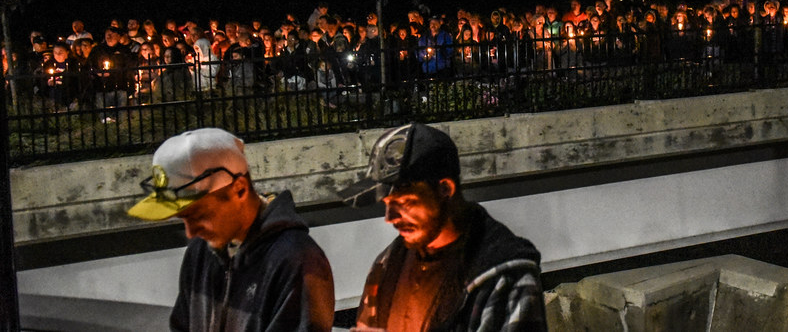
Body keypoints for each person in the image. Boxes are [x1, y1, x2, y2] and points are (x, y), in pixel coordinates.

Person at [342, 123, 546, 332]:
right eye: (387, 204)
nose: (390, 218)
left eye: (404, 202)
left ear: (445, 189)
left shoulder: (504, 277)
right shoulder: (390, 262)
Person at [128, 127, 335, 332]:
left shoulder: (296, 261)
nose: (191, 233)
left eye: (200, 216)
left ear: (240, 189)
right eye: (183, 219)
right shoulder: (200, 252)